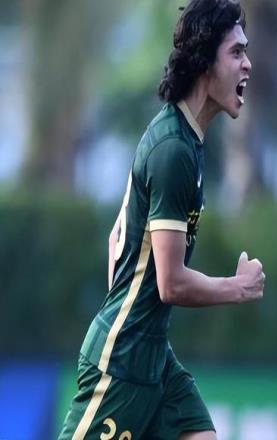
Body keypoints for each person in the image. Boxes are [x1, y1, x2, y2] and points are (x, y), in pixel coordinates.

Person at [58, 1, 264, 438]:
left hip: (153, 357)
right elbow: (170, 284)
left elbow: (118, 244)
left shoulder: (186, 140)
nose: (247, 63)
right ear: (205, 61)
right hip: (123, 364)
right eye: (236, 52)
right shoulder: (173, 149)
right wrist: (237, 287)